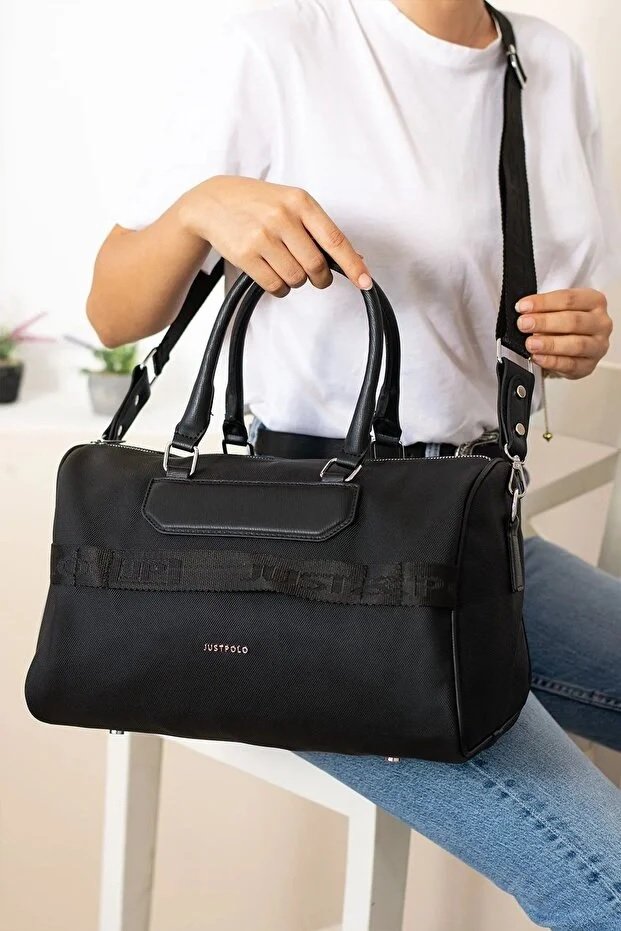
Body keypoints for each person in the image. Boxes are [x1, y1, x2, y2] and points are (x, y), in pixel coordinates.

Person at [86, 1, 621, 927]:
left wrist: (577, 336)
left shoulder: (546, 63)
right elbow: (111, 313)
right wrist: (199, 207)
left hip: (473, 535)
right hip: (305, 576)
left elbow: (541, 304)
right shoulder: (278, 43)